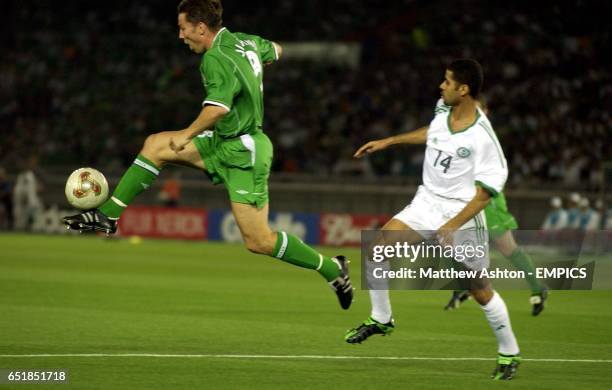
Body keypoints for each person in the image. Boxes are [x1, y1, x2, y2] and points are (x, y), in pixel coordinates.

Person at [62, 0, 352, 309]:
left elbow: (217, 108)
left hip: (244, 150)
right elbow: (277, 50)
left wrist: (187, 135)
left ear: (201, 28)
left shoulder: (215, 58)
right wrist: (254, 66)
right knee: (155, 145)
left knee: (259, 241)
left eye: (183, 28)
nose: (181, 35)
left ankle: (333, 268)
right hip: (223, 140)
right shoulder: (245, 41)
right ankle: (108, 217)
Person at [346, 59, 521, 380]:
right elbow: (433, 133)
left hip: (462, 215)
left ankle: (509, 352)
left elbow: (484, 195)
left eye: (447, 81)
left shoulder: (484, 138)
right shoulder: (443, 109)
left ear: (463, 89)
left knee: (480, 289)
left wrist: (451, 225)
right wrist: (390, 141)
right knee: (376, 249)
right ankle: (381, 318)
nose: (442, 86)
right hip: (426, 202)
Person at [445, 99, 548, 316]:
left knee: (507, 248)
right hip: (466, 198)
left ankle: (538, 287)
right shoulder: (463, 132)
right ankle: (463, 289)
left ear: (485, 111)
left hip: (487, 200)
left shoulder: (484, 134)